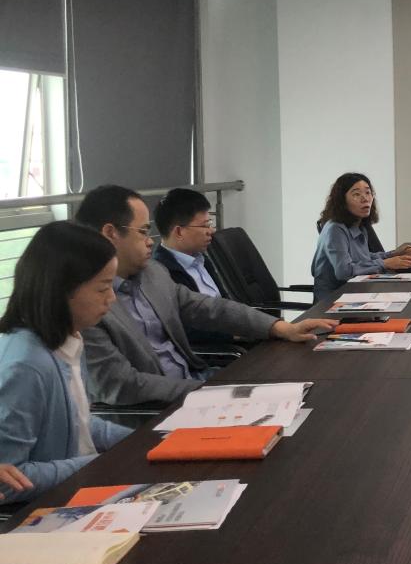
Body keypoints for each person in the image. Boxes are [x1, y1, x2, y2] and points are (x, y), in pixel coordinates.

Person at [75, 185, 334, 407]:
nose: (151, 241)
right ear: (110, 233)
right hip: (158, 410)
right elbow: (121, 385)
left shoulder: (153, 273)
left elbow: (209, 308)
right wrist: (206, 392)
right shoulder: (86, 308)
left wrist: (279, 327)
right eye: (142, 231)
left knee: (302, 392)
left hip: (198, 382)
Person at [0, 221, 133, 503]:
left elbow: (79, 423)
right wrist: (97, 464)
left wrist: (143, 440)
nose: (112, 298)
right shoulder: (26, 366)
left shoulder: (69, 338)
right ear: (61, 290)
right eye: (103, 288)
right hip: (55, 503)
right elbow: (10, 482)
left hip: (84, 483)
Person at [311, 173, 411, 301]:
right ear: (342, 201)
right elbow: (344, 271)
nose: (365, 199)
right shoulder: (335, 229)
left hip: (356, 291)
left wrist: (393, 254)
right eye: (356, 194)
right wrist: (385, 263)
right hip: (333, 299)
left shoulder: (358, 224)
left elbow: (363, 258)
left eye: (368, 193)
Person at [153, 188, 224, 298]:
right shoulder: (162, 275)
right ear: (179, 232)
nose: (212, 231)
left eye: (210, 224)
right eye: (205, 225)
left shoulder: (202, 259)